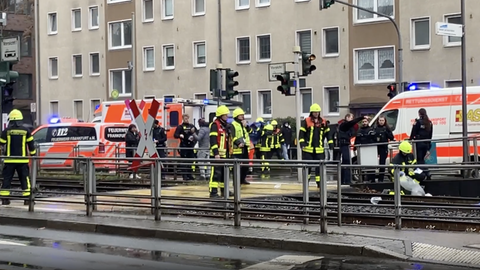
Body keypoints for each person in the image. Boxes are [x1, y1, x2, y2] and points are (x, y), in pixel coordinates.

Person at [0, 109, 36, 206]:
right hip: (22, 160)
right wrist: (33, 155)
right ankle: (27, 199)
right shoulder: (26, 131)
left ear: (11, 120)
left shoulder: (6, 131)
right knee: (24, 179)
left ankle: (5, 199)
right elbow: (31, 145)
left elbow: (1, 143)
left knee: (7, 179)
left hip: (9, 160)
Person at [298, 104, 333, 188]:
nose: (316, 113)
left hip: (319, 150)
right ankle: (306, 183)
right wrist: (302, 144)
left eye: (318, 112)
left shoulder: (323, 122)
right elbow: (301, 134)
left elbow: (328, 134)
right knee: (307, 168)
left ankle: (319, 184)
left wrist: (331, 143)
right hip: (307, 150)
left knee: (319, 169)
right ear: (311, 112)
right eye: (315, 112)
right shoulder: (306, 121)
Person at [209, 106, 233, 198]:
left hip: (225, 154)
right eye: (225, 115)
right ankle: (213, 192)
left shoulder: (226, 126)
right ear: (220, 115)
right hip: (217, 155)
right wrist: (216, 153)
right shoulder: (215, 125)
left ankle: (224, 191)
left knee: (224, 174)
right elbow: (213, 140)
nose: (227, 116)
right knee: (215, 174)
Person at [337, 113, 367, 185]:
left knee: (345, 162)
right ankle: (346, 180)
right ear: (347, 117)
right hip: (344, 144)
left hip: (346, 144)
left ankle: (343, 180)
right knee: (347, 161)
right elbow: (352, 123)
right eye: (351, 118)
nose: (352, 120)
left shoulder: (348, 126)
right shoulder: (344, 125)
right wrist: (361, 118)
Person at [409, 108, 433, 180]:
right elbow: (430, 135)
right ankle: (425, 173)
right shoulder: (429, 122)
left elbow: (414, 132)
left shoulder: (418, 122)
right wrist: (428, 145)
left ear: (419, 113)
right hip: (426, 143)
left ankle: (425, 173)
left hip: (418, 143)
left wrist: (410, 139)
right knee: (421, 159)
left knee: (419, 160)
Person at [230, 108, 251, 185]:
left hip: (245, 147)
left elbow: (250, 131)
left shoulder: (243, 124)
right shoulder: (233, 124)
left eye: (243, 115)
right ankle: (236, 181)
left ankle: (242, 179)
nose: (242, 116)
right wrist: (238, 143)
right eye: (241, 115)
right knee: (236, 167)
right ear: (236, 116)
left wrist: (246, 126)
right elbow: (232, 136)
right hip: (237, 149)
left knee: (246, 165)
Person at [174, 114, 197, 180]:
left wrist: (193, 136)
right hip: (184, 146)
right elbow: (175, 135)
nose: (186, 119)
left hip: (190, 146)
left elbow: (197, 133)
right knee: (184, 161)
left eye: (187, 118)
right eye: (185, 118)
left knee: (190, 161)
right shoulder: (180, 127)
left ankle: (190, 175)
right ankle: (184, 175)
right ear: (183, 119)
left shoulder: (191, 126)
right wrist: (180, 135)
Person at [355, 117, 376, 182]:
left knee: (371, 165)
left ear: (368, 122)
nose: (364, 123)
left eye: (365, 121)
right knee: (363, 165)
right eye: (363, 122)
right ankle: (363, 178)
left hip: (370, 149)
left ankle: (372, 179)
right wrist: (355, 147)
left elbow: (374, 139)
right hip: (362, 150)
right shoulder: (359, 131)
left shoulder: (371, 130)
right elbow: (357, 140)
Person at [374, 116, 395, 182]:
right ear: (378, 121)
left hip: (384, 147)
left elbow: (391, 137)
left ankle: (381, 179)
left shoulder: (387, 128)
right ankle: (372, 177)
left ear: (385, 121)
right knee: (373, 162)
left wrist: (386, 132)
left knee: (382, 163)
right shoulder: (375, 128)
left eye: (382, 120)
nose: (381, 122)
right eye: (380, 120)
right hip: (376, 147)